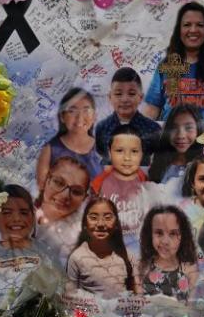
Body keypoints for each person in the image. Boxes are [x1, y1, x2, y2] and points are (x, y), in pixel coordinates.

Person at [142, 2, 204, 120]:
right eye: (187, 24)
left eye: (200, 25)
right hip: (171, 135)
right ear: (179, 30)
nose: (193, 30)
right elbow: (152, 108)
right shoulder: (166, 66)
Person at [0, 184, 58, 313]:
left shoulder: (45, 252)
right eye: (7, 212)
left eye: (23, 212)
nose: (16, 219)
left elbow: (58, 289)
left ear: (33, 217)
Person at [91, 128, 149, 261]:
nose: (127, 158)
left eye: (134, 151)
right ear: (109, 153)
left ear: (142, 154)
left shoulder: (145, 182)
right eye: (119, 151)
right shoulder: (99, 184)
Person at [66, 197, 141, 299]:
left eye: (108, 217)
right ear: (84, 224)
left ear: (116, 224)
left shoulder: (128, 257)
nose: (101, 224)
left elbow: (138, 294)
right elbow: (70, 296)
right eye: (93, 217)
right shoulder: (77, 257)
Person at [94, 67, 161, 166]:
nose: (125, 99)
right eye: (118, 94)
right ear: (110, 97)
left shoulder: (153, 129)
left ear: (140, 97)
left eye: (131, 93)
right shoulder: (102, 128)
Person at [37, 88, 102, 187]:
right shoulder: (50, 150)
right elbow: (43, 190)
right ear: (62, 116)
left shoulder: (104, 148)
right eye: (72, 111)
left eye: (86, 110)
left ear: (94, 116)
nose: (80, 118)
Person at [35, 156, 91, 268]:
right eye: (59, 183)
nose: (65, 195)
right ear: (46, 179)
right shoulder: (16, 211)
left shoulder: (83, 235)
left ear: (84, 198)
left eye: (76, 191)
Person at [139, 205, 199, 302]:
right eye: (159, 233)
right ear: (149, 235)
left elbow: (193, 310)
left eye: (173, 234)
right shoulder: (143, 267)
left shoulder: (189, 270)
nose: (165, 241)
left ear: (183, 236)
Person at [147, 103, 204, 184]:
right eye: (174, 128)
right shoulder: (158, 164)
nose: (181, 135)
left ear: (199, 130)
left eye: (188, 128)